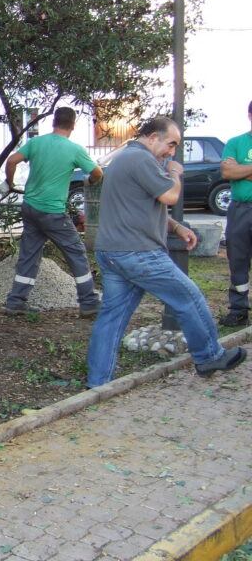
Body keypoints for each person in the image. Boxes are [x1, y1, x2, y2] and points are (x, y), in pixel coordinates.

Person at [86, 117, 245, 387]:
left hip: (113, 251)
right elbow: (169, 196)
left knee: (112, 318)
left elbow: (140, 205)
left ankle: (98, 382)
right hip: (139, 252)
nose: (171, 151)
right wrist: (174, 172)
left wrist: (175, 227)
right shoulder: (142, 159)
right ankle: (209, 356)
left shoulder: (124, 159)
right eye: (171, 144)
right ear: (152, 138)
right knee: (189, 298)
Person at [3, 107, 103, 317]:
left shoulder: (36, 143)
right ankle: (89, 302)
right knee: (76, 252)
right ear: (73, 126)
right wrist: (90, 182)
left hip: (30, 208)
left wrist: (9, 183)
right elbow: (97, 173)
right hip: (53, 213)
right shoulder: (74, 149)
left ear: (53, 122)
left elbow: (11, 161)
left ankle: (16, 301)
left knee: (29, 254)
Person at [220, 100, 252, 327]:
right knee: (237, 259)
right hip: (240, 209)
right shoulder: (236, 142)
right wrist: (236, 172)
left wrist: (242, 170)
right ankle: (239, 309)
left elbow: (235, 170)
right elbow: (227, 171)